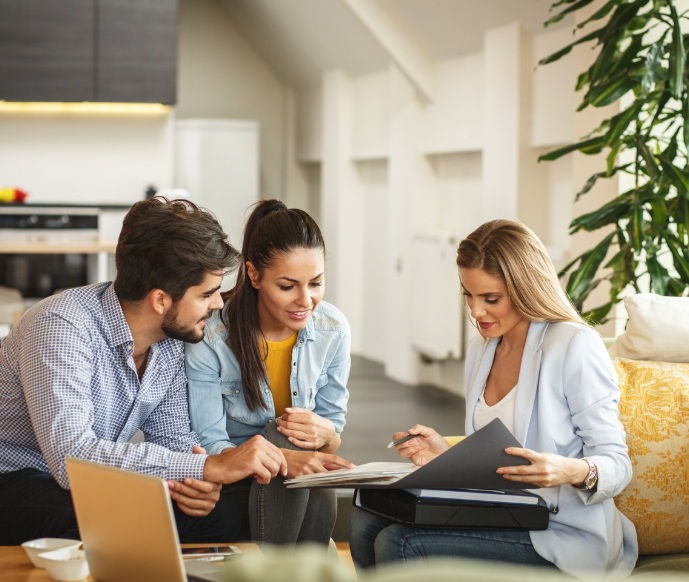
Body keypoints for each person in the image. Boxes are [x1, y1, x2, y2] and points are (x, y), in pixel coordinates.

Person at [350, 219, 638, 577]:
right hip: (504, 515)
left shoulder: (573, 345)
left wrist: (570, 470)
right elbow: (498, 457)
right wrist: (447, 453)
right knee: (365, 521)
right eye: (468, 294)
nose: (475, 311)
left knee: (400, 542)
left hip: (562, 533)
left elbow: (618, 465)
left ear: (525, 288)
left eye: (491, 299)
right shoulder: (483, 349)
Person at [0, 197, 287, 545]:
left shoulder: (169, 341)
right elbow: (70, 458)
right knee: (107, 513)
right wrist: (207, 467)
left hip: (92, 485)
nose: (216, 304)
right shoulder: (61, 325)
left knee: (223, 514)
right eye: (207, 293)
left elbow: (174, 440)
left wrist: (195, 485)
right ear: (161, 300)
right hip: (17, 478)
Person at [185, 199, 353, 547]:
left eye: (316, 283)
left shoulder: (333, 329)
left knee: (310, 470)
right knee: (281, 436)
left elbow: (331, 436)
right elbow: (210, 444)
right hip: (236, 478)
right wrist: (283, 457)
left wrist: (325, 434)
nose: (305, 300)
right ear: (254, 275)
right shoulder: (212, 336)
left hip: (299, 482)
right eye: (288, 286)